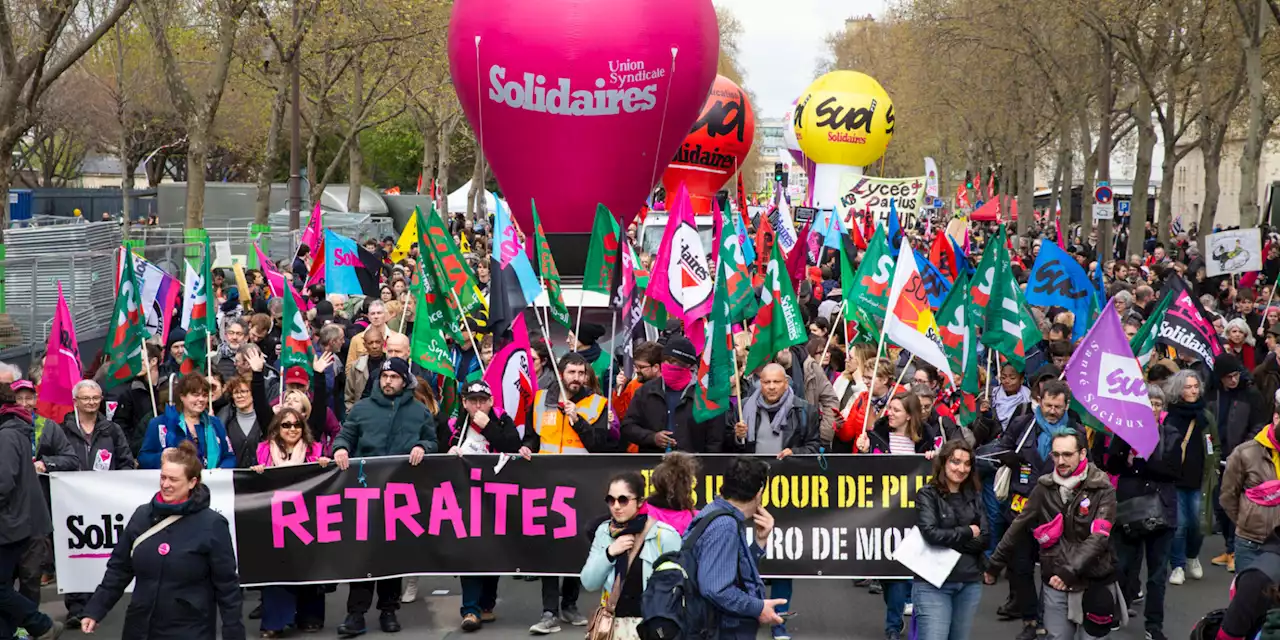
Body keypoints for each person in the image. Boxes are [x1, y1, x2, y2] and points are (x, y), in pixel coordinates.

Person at [79, 441, 244, 640]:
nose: (166, 485)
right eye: (163, 477)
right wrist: (95, 609)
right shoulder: (142, 516)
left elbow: (227, 586)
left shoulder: (212, 524)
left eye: (173, 480)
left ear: (192, 482)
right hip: (140, 626)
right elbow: (119, 569)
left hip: (190, 628)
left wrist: (233, 632)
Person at [332, 357, 437, 636]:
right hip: (366, 494)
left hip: (401, 495)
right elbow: (346, 435)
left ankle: (388, 611)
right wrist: (341, 448)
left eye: (394, 377)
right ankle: (356, 614)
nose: (388, 381)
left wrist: (423, 446)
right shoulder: (362, 409)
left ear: (405, 381)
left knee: (393, 554)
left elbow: (432, 440)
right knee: (364, 555)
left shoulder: (419, 411)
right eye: (384, 376)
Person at [984, 430, 1121, 640]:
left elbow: (1099, 538)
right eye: (1055, 455)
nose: (1060, 461)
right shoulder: (1044, 486)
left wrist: (1068, 572)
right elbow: (1017, 527)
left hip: (1094, 581)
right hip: (1055, 583)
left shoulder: (1103, 488)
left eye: (1067, 454)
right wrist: (995, 563)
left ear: (1082, 454)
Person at [523, 353, 609, 633]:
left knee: (576, 546)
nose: (576, 378)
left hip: (579, 487)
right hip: (545, 486)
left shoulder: (597, 404)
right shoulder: (538, 400)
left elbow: (600, 447)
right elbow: (531, 437)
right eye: (571, 372)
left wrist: (577, 420)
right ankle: (548, 611)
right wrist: (525, 447)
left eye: (581, 373)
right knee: (550, 548)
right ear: (560, 373)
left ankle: (569, 605)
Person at [856, 391, 936, 639]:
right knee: (887, 572)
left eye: (896, 410)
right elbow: (859, 473)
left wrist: (933, 459)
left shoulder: (926, 439)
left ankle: (893, 625)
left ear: (910, 416)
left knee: (901, 571)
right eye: (889, 409)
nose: (890, 413)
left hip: (913, 516)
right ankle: (897, 608)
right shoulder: (876, 435)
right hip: (881, 515)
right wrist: (863, 451)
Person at [446, 381, 523, 631]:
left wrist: (487, 425)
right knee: (471, 551)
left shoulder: (501, 419)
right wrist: (448, 452)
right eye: (472, 401)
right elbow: (437, 447)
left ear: (491, 401)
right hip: (465, 498)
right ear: (465, 403)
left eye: (483, 400)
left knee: (494, 550)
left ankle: (486, 604)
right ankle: (470, 609)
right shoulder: (455, 424)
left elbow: (510, 445)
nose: (478, 405)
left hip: (495, 496)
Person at [1104, 386, 1179, 640]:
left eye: (1158, 404)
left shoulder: (1171, 434)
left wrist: (1138, 463)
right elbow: (1112, 465)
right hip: (1129, 508)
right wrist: (1125, 447)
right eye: (1149, 403)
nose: (1153, 408)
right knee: (1122, 565)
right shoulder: (1124, 431)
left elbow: (1172, 471)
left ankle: (1153, 625)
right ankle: (1115, 612)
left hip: (1162, 510)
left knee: (1157, 574)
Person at [248, 408, 331, 637]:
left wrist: (325, 464)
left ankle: (310, 616)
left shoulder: (316, 450)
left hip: (308, 517)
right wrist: (256, 472)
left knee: (309, 565)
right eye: (286, 425)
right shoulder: (263, 450)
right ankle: (274, 622)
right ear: (276, 428)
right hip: (274, 518)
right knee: (276, 569)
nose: (292, 429)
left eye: (297, 425)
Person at [579, 471, 683, 640]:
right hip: (614, 627)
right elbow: (589, 582)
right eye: (610, 500)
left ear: (640, 501)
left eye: (623, 499)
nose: (616, 506)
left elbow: (679, 589)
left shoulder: (664, 535)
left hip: (652, 628)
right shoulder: (604, 532)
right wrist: (610, 553)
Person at [690, 456, 786, 640]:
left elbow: (731, 571)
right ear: (759, 493)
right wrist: (757, 607)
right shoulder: (725, 525)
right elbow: (714, 588)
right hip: (721, 629)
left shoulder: (720, 512)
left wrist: (759, 541)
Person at [0, 382, 62, 640]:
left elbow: (3, 482)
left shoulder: (6, 435)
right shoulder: (13, 431)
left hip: (10, 523)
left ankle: (39, 624)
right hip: (16, 521)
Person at [912, 439, 988, 640]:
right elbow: (931, 534)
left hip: (969, 582)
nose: (961, 468)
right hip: (933, 583)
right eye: (955, 461)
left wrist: (951, 537)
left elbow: (986, 538)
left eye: (967, 463)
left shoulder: (975, 496)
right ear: (944, 462)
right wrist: (968, 532)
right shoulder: (927, 494)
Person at [1209, 353, 1269, 572]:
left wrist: (1243, 450)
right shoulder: (1212, 393)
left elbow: (1259, 425)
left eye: (1235, 375)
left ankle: (1236, 550)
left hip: (1239, 457)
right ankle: (1228, 547)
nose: (1233, 380)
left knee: (1236, 504)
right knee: (1219, 504)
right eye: (1228, 377)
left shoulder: (1250, 395)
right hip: (1216, 456)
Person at [620, 337, 726, 453]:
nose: (670, 365)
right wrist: (652, 438)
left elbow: (715, 441)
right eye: (667, 361)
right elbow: (628, 427)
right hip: (652, 466)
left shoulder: (708, 397)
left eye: (678, 363)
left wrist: (705, 467)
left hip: (692, 466)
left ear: (690, 367)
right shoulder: (646, 391)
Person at [1163, 369, 1219, 585]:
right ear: (1179, 389)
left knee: (1198, 524)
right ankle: (1177, 566)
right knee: (1179, 525)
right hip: (1174, 480)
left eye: (1196, 386)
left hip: (1199, 480)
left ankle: (1192, 557)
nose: (1193, 390)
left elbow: (1213, 444)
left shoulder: (1205, 416)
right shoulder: (1169, 415)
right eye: (1188, 387)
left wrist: (1213, 465)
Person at [1221, 408, 1280, 576]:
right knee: (1249, 599)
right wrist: (1246, 520)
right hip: (1251, 543)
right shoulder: (1245, 453)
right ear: (1276, 417)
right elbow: (1228, 496)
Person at [137, 374, 237, 470]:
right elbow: (143, 458)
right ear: (182, 396)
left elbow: (229, 456)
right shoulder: (160, 423)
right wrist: (162, 456)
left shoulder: (215, 423)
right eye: (196, 395)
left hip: (211, 484)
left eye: (205, 395)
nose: (201, 399)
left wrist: (221, 469)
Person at [345, 324, 386, 410]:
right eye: (370, 343)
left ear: (383, 342)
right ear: (365, 345)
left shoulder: (391, 363)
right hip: (362, 412)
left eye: (377, 342)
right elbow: (349, 396)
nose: (374, 346)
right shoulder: (356, 366)